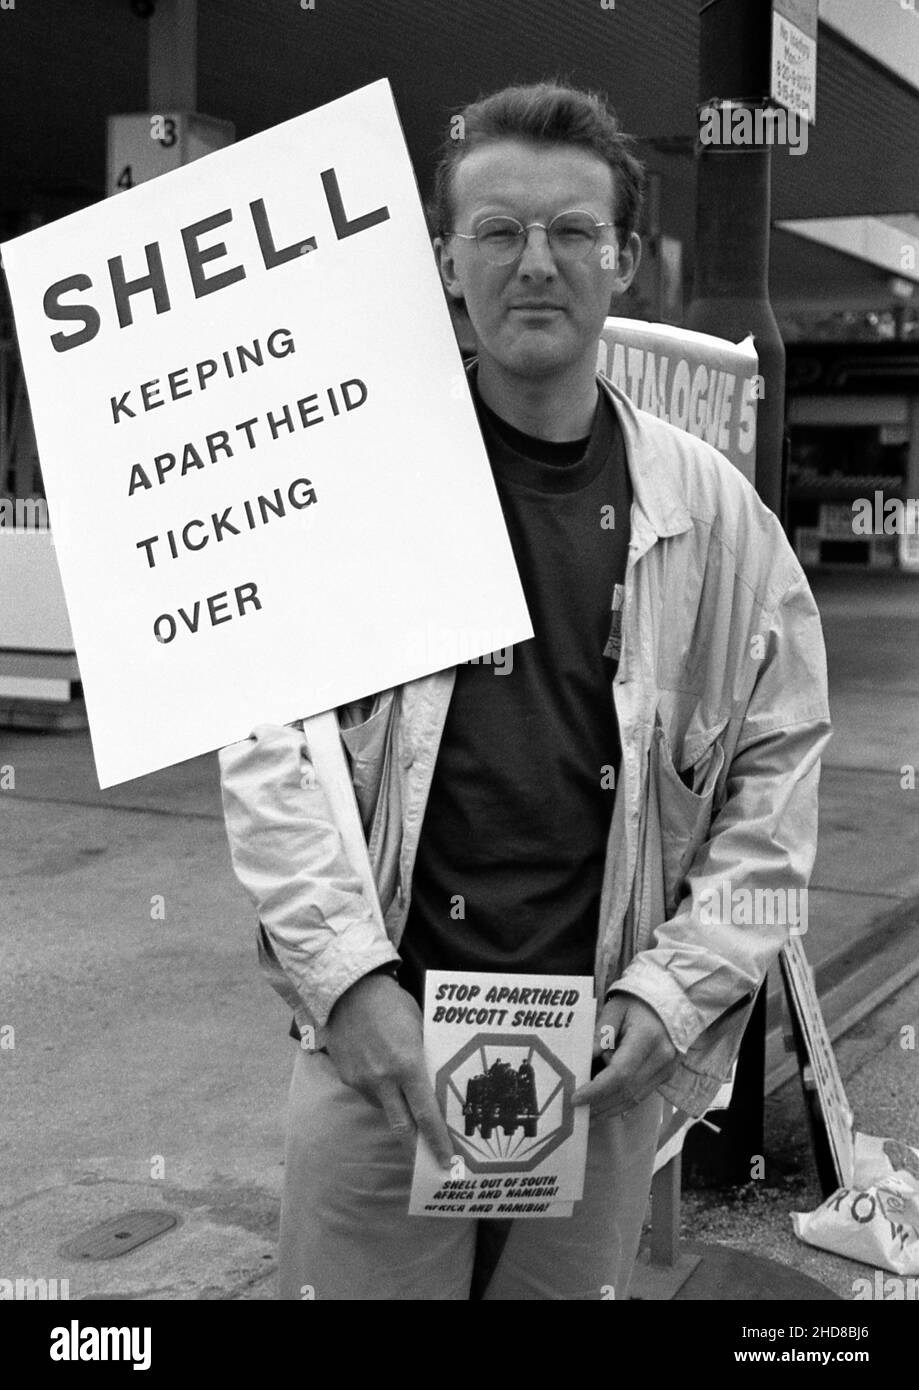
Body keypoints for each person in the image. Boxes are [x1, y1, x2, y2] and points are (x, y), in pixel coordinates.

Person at [218, 81, 831, 1300]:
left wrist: (671, 996)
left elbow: (779, 789)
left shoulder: (714, 519)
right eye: (497, 232)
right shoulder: (351, 487)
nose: (533, 263)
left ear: (625, 266)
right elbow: (264, 742)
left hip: (597, 1068)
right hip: (373, 1062)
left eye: (571, 234)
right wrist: (346, 984)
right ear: (448, 263)